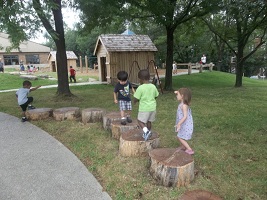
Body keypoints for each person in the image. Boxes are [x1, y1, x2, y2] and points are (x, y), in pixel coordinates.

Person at [134, 69, 159, 141]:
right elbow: (156, 95)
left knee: (140, 121)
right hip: (152, 108)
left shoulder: (140, 88)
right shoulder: (153, 86)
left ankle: (146, 131)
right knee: (149, 121)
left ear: (141, 79)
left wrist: (135, 101)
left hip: (144, 109)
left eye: (139, 79)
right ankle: (148, 133)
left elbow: (136, 98)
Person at [174, 88, 194, 155]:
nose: (176, 96)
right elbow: (179, 93)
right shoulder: (183, 103)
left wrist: (179, 124)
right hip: (183, 123)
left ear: (182, 96)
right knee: (180, 134)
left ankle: (189, 149)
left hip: (185, 124)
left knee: (179, 137)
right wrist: (177, 92)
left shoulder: (184, 106)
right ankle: (183, 147)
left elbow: (185, 116)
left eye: (178, 95)